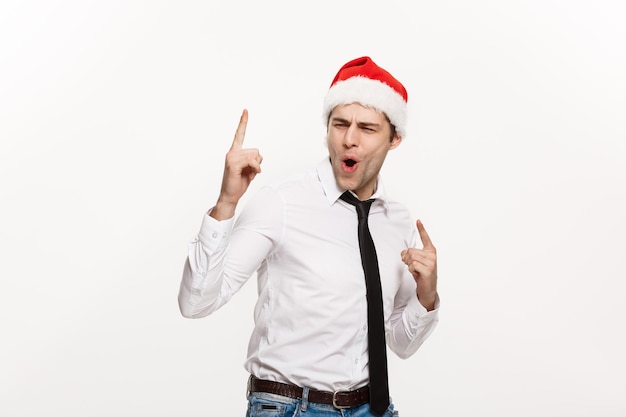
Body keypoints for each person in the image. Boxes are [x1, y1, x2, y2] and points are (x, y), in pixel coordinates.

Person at [178, 56, 440, 417]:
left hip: (374, 408)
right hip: (292, 408)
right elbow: (196, 303)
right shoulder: (282, 202)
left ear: (394, 138)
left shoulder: (397, 220)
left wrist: (427, 296)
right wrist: (226, 203)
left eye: (366, 128)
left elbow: (400, 343)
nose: (349, 139)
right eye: (340, 124)